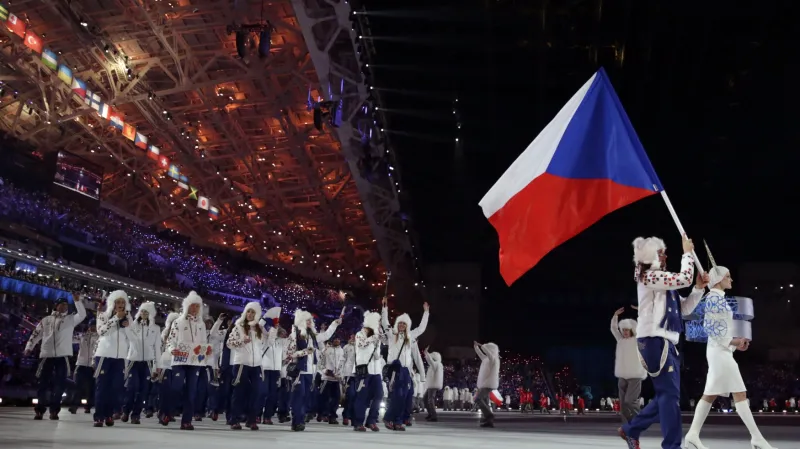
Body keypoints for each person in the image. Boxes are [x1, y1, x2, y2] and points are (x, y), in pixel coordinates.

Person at [618, 235, 707, 449]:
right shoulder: (649, 276)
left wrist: (697, 289)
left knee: (667, 396)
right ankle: (672, 445)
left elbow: (684, 309)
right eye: (660, 252)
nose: (665, 256)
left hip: (665, 343)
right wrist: (687, 254)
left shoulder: (661, 280)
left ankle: (631, 430)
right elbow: (683, 278)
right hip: (654, 340)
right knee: (669, 397)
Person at [684, 266, 777, 449]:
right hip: (719, 353)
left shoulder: (718, 298)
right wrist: (734, 342)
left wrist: (735, 344)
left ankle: (692, 435)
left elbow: (719, 330)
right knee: (739, 393)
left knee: (710, 395)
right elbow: (711, 328)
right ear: (718, 280)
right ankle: (757, 438)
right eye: (728, 276)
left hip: (720, 351)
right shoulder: (713, 298)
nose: (731, 279)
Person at [25, 292, 87, 420]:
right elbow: (36, 334)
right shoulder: (46, 320)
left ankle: (54, 411)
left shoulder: (70, 319)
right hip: (46, 355)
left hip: (62, 356)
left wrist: (77, 301)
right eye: (62, 304)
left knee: (60, 384)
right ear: (56, 305)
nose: (64, 307)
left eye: (66, 305)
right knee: (43, 383)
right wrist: (29, 347)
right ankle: (39, 410)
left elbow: (82, 315)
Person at [160, 291, 210, 430]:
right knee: (176, 388)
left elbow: (204, 343)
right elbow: (170, 340)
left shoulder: (201, 324)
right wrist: (171, 350)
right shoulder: (178, 322)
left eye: (197, 306)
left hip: (194, 362)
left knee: (191, 391)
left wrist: (205, 354)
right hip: (179, 360)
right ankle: (167, 413)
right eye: (192, 306)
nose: (194, 309)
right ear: (187, 306)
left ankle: (186, 421)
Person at [286, 309, 340, 431]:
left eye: (311, 320)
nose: (310, 322)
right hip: (299, 371)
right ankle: (297, 421)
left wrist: (334, 324)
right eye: (307, 320)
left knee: (305, 398)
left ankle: (299, 420)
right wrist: (305, 351)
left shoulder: (313, 336)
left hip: (310, 372)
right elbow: (289, 354)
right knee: (299, 397)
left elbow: (326, 335)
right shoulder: (294, 335)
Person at [381, 299, 430, 431]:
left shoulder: (410, 336)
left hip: (406, 371)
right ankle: (389, 417)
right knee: (398, 396)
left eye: (404, 323)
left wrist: (426, 313)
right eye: (400, 323)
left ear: (407, 325)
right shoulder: (392, 335)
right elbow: (384, 322)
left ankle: (399, 421)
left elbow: (421, 328)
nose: (402, 325)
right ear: (397, 324)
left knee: (407, 397)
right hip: (395, 369)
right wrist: (384, 308)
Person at [227, 301, 275, 430]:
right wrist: (241, 341)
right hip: (242, 363)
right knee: (239, 391)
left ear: (257, 314)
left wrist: (272, 333)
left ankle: (251, 419)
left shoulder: (259, 328)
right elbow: (229, 343)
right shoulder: (238, 326)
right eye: (248, 311)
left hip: (257, 364)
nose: (250, 314)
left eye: (253, 312)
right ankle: (234, 419)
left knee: (257, 392)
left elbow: (268, 343)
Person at [93, 290, 132, 427]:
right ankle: (99, 416)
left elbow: (132, 336)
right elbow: (101, 331)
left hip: (120, 357)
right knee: (102, 387)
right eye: (118, 302)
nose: (120, 304)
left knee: (116, 388)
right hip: (104, 355)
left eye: (123, 302)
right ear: (113, 303)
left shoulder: (129, 317)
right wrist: (116, 319)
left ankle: (109, 414)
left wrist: (126, 324)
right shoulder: (103, 315)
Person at [123, 301, 159, 424]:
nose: (144, 314)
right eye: (142, 311)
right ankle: (126, 410)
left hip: (147, 363)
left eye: (146, 312)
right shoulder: (132, 325)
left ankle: (136, 415)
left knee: (143, 390)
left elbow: (157, 348)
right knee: (132, 387)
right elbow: (128, 341)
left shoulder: (155, 329)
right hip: (133, 360)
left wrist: (157, 367)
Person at [611, 306, 647, 424]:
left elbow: (644, 327)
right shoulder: (620, 340)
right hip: (622, 375)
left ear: (632, 330)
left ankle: (639, 420)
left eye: (627, 330)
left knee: (630, 401)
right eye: (624, 330)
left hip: (635, 375)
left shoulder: (638, 340)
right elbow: (613, 329)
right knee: (623, 404)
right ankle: (628, 426)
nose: (625, 332)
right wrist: (615, 316)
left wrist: (641, 313)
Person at [352, 311, 384, 432]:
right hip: (364, 370)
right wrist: (373, 338)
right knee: (362, 397)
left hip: (376, 371)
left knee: (379, 395)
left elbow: (377, 353)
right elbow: (361, 345)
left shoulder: (377, 336)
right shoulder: (360, 334)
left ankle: (371, 420)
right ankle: (358, 422)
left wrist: (378, 337)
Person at [68, 319, 98, 414]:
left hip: (93, 366)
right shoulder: (82, 336)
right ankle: (74, 406)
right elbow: (71, 339)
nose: (92, 327)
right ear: (88, 326)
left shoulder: (100, 337)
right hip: (81, 364)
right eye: (91, 325)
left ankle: (88, 406)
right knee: (78, 386)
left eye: (94, 326)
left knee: (92, 387)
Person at [474, 341, 500, 428]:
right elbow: (481, 355)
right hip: (485, 383)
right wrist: (476, 347)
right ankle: (489, 421)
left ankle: (489, 415)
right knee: (484, 401)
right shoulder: (486, 359)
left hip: (488, 383)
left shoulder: (494, 359)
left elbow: (489, 354)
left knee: (478, 399)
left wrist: (483, 346)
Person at [423, 347, 443, 421]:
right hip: (431, 384)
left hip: (433, 385)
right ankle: (431, 414)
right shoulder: (434, 364)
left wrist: (426, 353)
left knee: (430, 400)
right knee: (425, 399)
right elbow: (430, 361)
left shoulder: (437, 364)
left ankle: (434, 416)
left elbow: (430, 360)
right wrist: (426, 354)